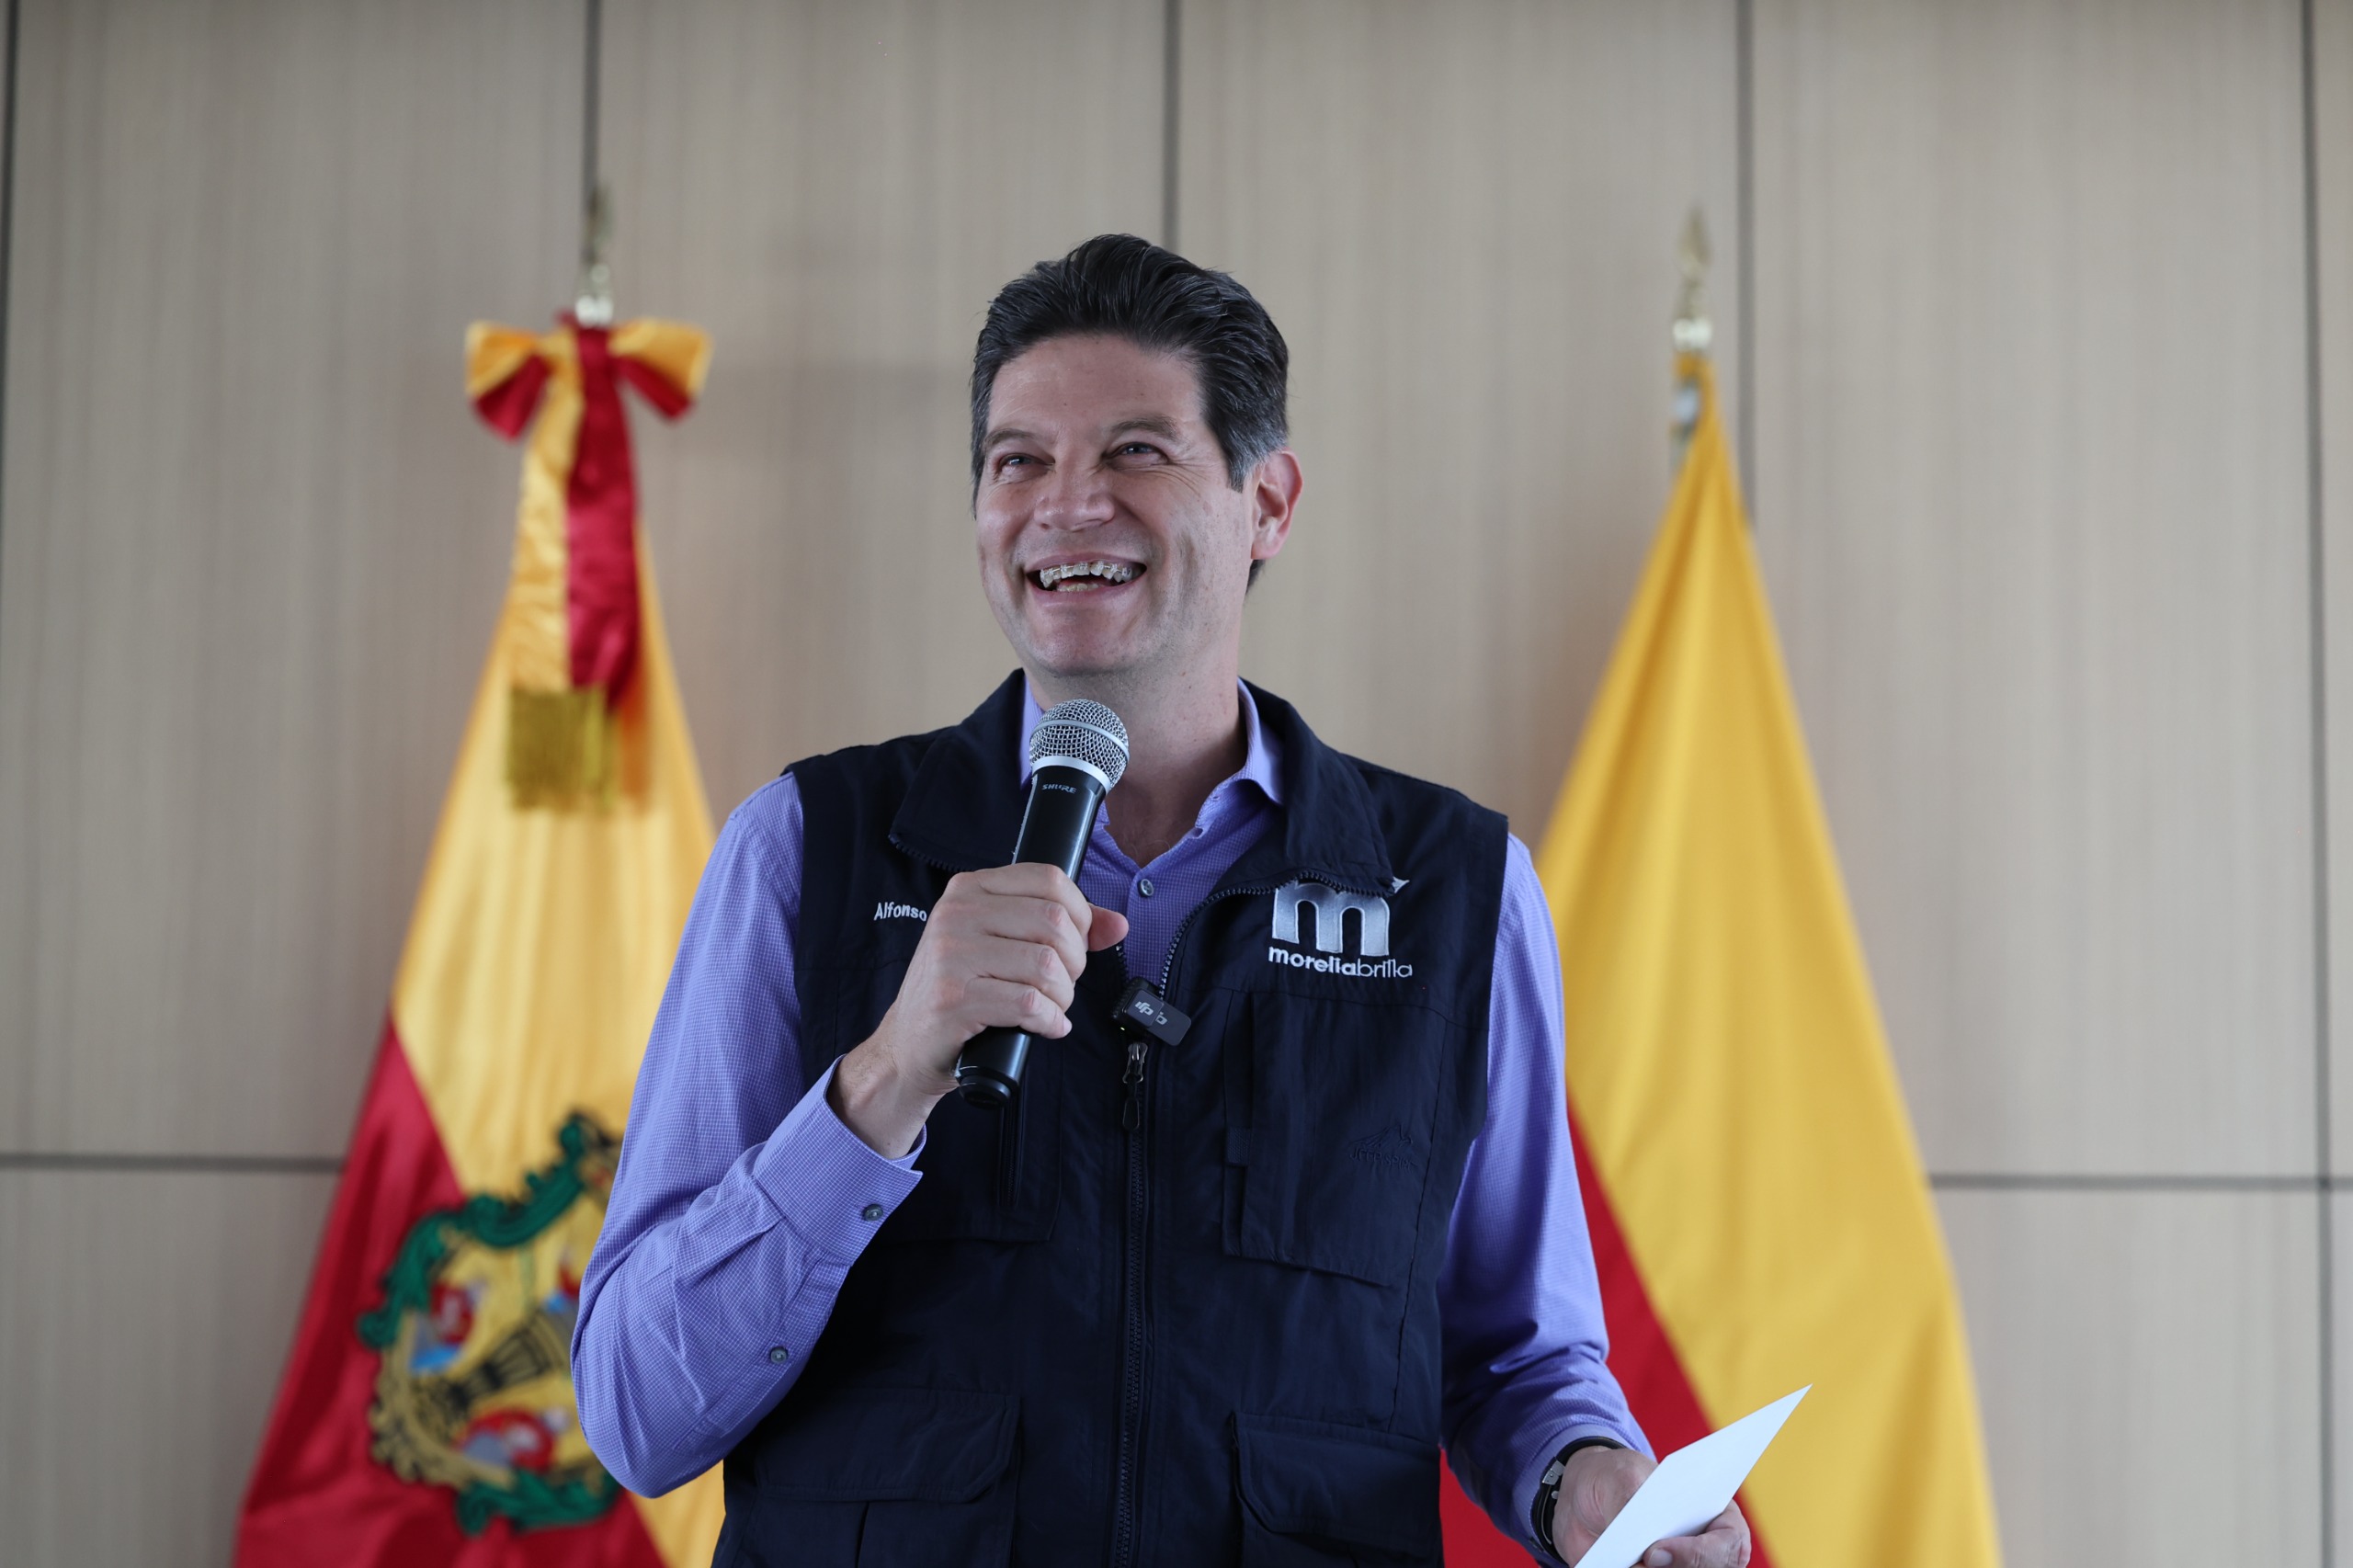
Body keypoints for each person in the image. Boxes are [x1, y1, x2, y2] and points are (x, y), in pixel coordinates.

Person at [573, 234, 1750, 1568]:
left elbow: (1518, 1357)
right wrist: (883, 1080)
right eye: (1018, 461)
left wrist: (1585, 1481)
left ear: (1269, 502)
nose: (1067, 506)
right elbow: (635, 1412)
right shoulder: (805, 849)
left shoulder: (1456, 893)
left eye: (1135, 452)